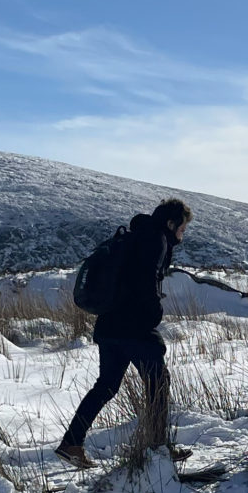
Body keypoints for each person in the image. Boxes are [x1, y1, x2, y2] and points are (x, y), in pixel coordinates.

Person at [57, 198, 194, 469]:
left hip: (109, 325)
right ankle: (158, 448)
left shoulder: (133, 237)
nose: (182, 235)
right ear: (170, 224)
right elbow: (146, 282)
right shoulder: (156, 240)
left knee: (106, 386)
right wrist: (153, 315)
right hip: (134, 326)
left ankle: (71, 443)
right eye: (182, 229)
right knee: (158, 383)